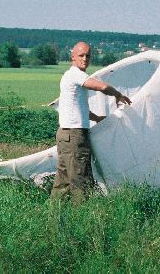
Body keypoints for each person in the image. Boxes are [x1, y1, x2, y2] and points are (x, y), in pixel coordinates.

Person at [50, 41, 132, 204]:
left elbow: (76, 108)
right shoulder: (76, 75)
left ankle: (52, 218)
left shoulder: (70, 76)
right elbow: (102, 87)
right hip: (74, 136)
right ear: (72, 57)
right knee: (81, 182)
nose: (85, 58)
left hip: (66, 135)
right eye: (81, 55)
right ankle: (82, 221)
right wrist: (117, 95)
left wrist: (96, 118)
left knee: (63, 181)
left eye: (88, 55)